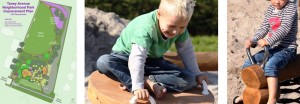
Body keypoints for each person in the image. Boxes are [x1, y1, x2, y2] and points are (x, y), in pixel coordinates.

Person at [96, 0, 209, 100]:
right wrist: (137, 86)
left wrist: (196, 73)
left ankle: (147, 81)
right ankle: (136, 82)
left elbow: (186, 51)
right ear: (159, 14)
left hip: (154, 62)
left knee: (190, 79)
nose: (176, 32)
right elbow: (137, 58)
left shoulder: (178, 25)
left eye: (182, 27)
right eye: (172, 26)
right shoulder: (146, 29)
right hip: (125, 58)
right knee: (104, 62)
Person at [233, 0, 298, 104]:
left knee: (270, 65)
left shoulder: (290, 8)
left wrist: (268, 41)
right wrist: (253, 40)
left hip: (287, 49)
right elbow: (264, 28)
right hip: (272, 48)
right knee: (248, 64)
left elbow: (284, 28)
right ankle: (249, 94)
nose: (277, 1)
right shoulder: (270, 9)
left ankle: (272, 99)